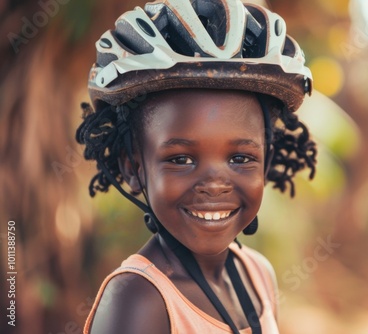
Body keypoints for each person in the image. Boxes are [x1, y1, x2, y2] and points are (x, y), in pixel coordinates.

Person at [76, 0, 317, 333]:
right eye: (181, 159)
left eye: (240, 158)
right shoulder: (139, 299)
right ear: (133, 167)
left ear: (267, 162)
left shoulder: (257, 275)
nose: (215, 184)